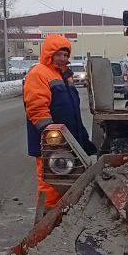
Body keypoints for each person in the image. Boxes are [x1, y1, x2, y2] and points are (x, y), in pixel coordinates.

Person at [23, 34, 96, 212]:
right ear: (49, 54)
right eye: (58, 54)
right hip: (52, 143)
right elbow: (37, 108)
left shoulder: (65, 77)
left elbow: (73, 115)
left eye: (65, 54)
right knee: (51, 184)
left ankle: (62, 221)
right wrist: (51, 138)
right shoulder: (39, 74)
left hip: (67, 142)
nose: (62, 58)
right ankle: (46, 225)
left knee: (68, 182)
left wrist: (83, 141)